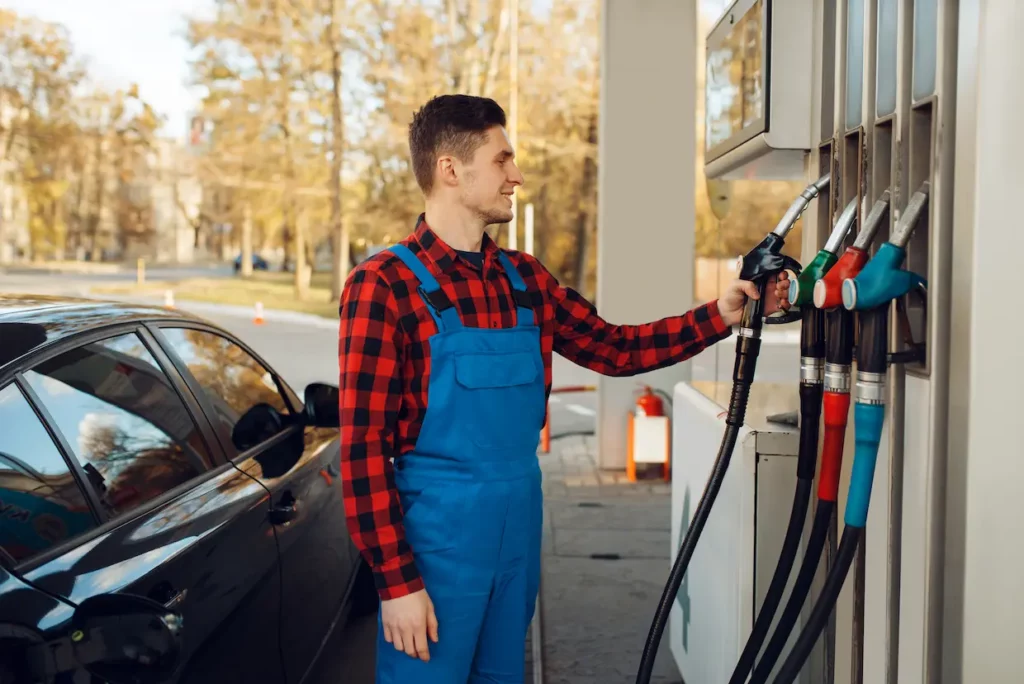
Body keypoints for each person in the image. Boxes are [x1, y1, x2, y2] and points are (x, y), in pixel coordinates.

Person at [338, 93, 790, 683]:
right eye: (502, 160)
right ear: (450, 170)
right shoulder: (383, 285)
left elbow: (616, 348)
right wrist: (396, 582)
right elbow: (362, 449)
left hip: (517, 527)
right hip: (436, 541)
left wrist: (721, 314)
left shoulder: (524, 279)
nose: (516, 175)